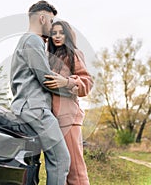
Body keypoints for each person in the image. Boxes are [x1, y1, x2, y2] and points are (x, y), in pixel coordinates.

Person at [10, 1, 71, 185]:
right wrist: (71, 88)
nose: (53, 28)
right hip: (35, 109)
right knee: (61, 159)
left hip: (29, 107)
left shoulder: (28, 41)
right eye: (51, 22)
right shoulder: (32, 39)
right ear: (42, 18)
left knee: (36, 162)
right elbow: (45, 78)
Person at [44, 20, 93, 185]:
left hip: (68, 117)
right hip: (51, 119)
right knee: (61, 168)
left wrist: (66, 82)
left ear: (68, 34)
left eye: (61, 32)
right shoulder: (48, 57)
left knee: (75, 170)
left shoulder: (74, 54)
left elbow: (87, 83)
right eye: (54, 33)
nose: (57, 36)